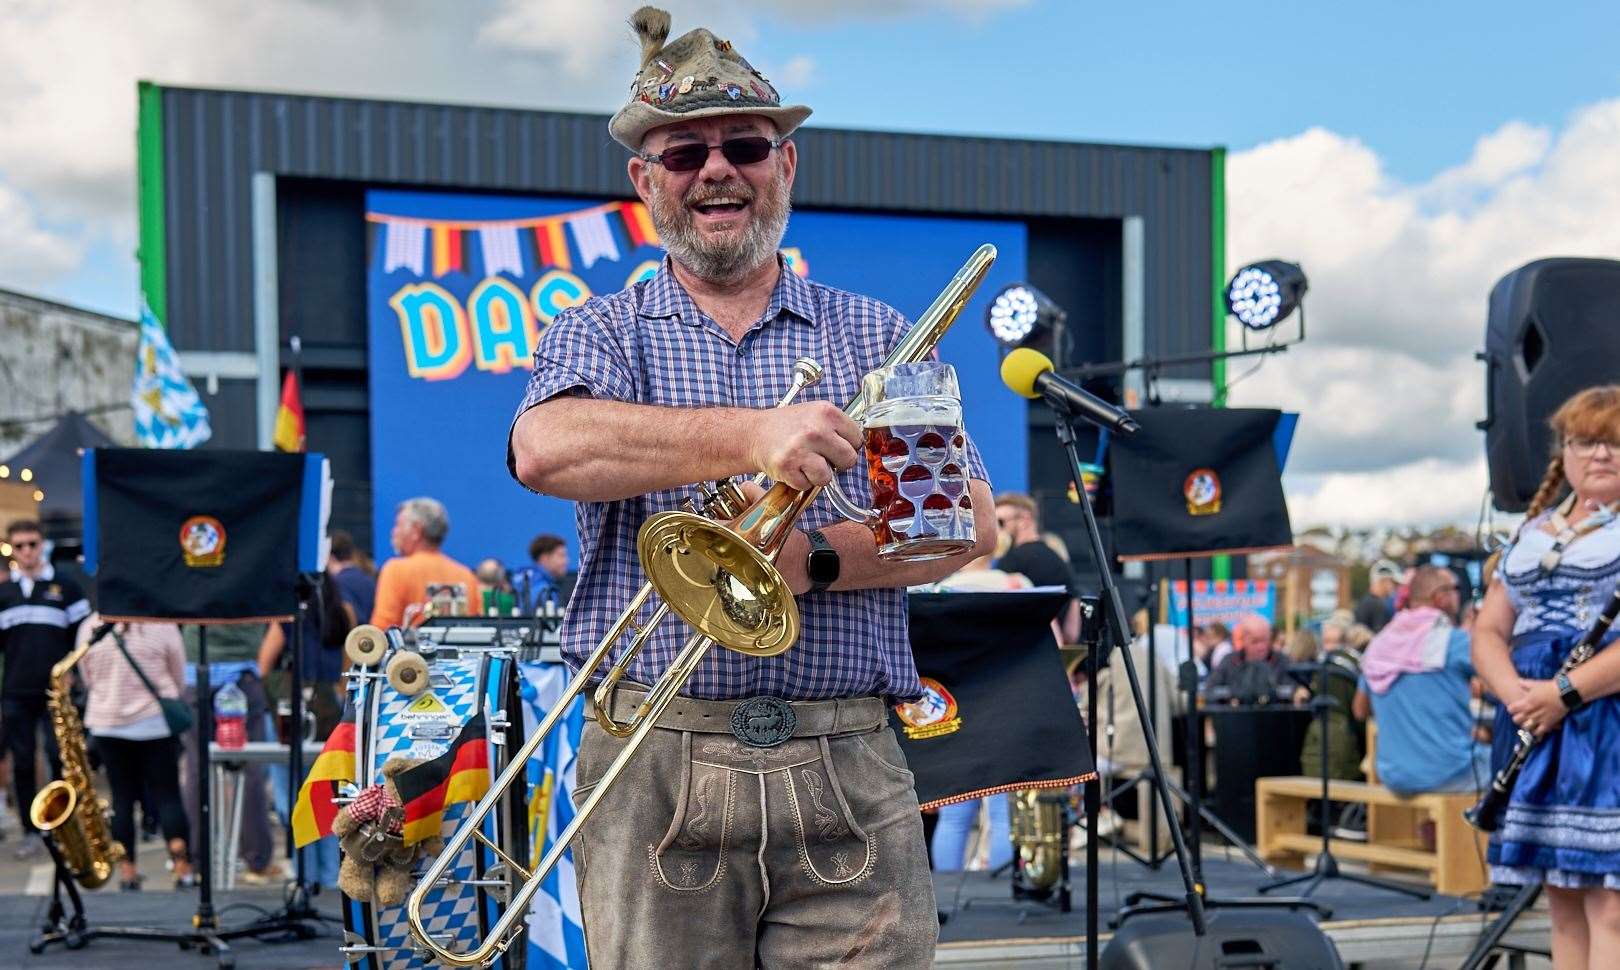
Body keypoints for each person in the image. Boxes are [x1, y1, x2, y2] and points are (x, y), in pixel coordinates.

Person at [506, 10, 995, 965]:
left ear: (788, 166)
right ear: (646, 183)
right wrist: (756, 438)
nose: (716, 170)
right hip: (654, 757)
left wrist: (808, 562)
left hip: (848, 757)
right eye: (683, 154)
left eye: (744, 146)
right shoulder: (599, 331)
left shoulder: (876, 333)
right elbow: (545, 450)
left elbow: (962, 526)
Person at [1471, 386, 1620, 969]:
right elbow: (1488, 632)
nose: (1600, 455)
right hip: (1532, 721)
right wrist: (1518, 696)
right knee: (1560, 897)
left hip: (1605, 723)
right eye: (1587, 442)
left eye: (1613, 442)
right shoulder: (1531, 535)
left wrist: (1564, 693)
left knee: (1611, 903)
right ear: (1566, 451)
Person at [77, 617, 195, 890]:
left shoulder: (90, 626)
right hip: (154, 722)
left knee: (122, 798)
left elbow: (87, 675)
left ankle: (128, 870)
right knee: (167, 794)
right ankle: (181, 866)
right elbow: (178, 676)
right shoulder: (161, 624)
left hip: (108, 722)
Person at [1350, 566, 1484, 794]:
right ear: (1441, 597)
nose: (1460, 595)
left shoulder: (1379, 644)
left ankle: (1430, 829)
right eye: (1456, 588)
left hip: (1394, 775)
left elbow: (1360, 710)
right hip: (1450, 771)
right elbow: (1504, 687)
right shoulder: (1454, 641)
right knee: (1514, 766)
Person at [0, 520, 88, 849]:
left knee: (59, 757)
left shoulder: (66, 586)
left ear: (42, 545)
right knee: (22, 761)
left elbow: (83, 636)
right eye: (19, 546)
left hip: (56, 693)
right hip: (15, 692)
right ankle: (30, 830)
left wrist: (75, 673)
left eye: (32, 544)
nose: (27, 552)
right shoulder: (4, 593)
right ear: (12, 549)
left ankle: (62, 826)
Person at [179, 622, 281, 883]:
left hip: (196, 672)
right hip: (243, 672)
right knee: (250, 768)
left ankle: (200, 860)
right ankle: (256, 860)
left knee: (196, 767)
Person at [370, 497, 482, 628]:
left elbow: (381, 631)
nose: (394, 532)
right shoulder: (467, 576)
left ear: (416, 530)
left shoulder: (395, 570)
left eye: (398, 525)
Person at [994, 492, 1080, 642]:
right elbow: (1071, 629)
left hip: (1025, 650)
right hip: (1052, 650)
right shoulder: (1056, 557)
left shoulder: (1013, 559)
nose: (997, 530)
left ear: (1025, 519)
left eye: (1001, 522)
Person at [1204, 614, 1291, 704]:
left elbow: (1293, 687)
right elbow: (1210, 690)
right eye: (1255, 641)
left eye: (1264, 640)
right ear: (1244, 640)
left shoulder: (1281, 660)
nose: (1261, 647)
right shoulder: (1230, 661)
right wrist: (1231, 698)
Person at [327, 530, 376, 631]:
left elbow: (350, 618)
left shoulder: (336, 584)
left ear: (330, 558)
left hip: (355, 642)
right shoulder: (368, 579)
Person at [514, 534, 573, 609]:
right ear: (544, 558)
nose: (567, 561)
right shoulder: (544, 590)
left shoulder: (523, 581)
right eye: (561, 555)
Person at [1355, 559, 1401, 632]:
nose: (1395, 587)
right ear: (1385, 581)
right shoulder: (1378, 605)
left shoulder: (1366, 601)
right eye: (1394, 583)